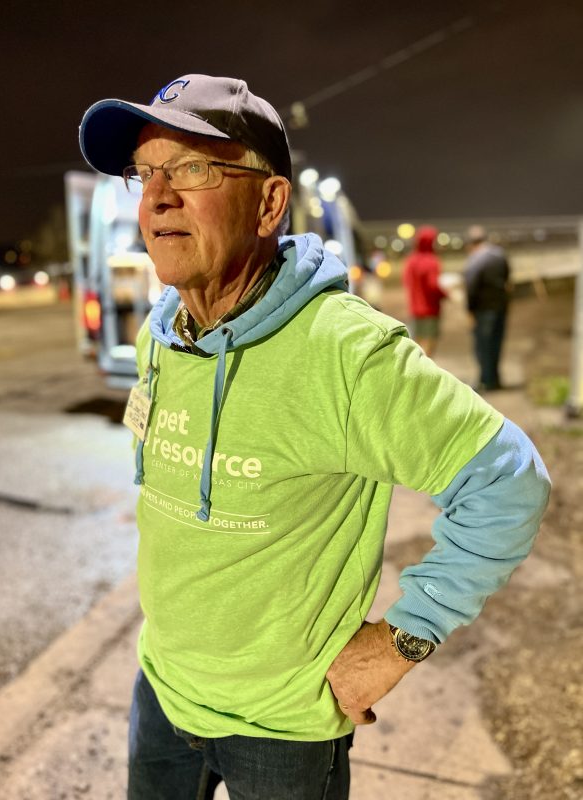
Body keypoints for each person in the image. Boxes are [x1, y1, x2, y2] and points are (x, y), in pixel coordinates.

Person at [79, 74, 550, 800]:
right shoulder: (160, 332)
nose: (157, 198)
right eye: (145, 173)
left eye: (194, 168)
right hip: (163, 690)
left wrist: (404, 638)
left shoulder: (343, 352)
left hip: (284, 729)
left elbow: (509, 480)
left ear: (268, 203)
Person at [464, 225, 511, 391]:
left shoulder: (475, 259)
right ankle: (496, 379)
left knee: (483, 346)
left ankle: (486, 381)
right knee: (496, 344)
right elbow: (506, 278)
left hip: (483, 310)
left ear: (471, 243)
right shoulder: (499, 254)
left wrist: (469, 310)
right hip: (501, 307)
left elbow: (471, 286)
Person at [402, 225, 447, 356]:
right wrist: (446, 294)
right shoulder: (432, 261)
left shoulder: (411, 260)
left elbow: (406, 281)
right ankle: (426, 371)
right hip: (430, 309)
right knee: (430, 343)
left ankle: (417, 370)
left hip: (415, 309)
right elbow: (433, 286)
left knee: (417, 342)